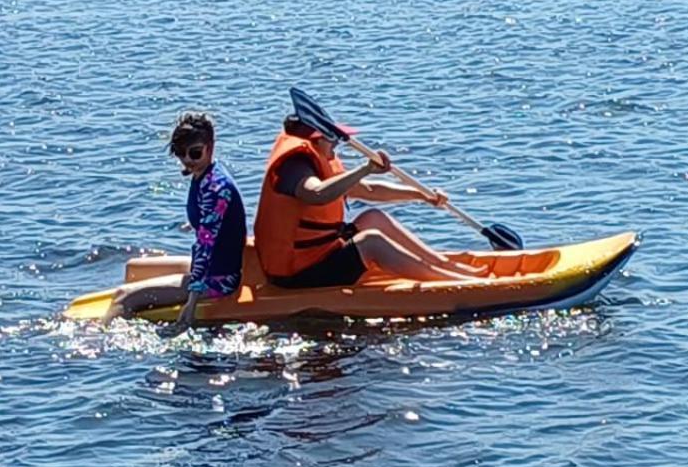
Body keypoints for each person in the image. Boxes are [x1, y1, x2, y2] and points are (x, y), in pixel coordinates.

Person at [253, 116, 487, 287]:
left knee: (372, 218)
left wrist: (422, 195)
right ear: (315, 139)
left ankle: (445, 265)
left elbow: (370, 190)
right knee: (370, 241)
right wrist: (365, 169)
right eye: (332, 138)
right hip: (296, 272)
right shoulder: (294, 166)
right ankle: (456, 283)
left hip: (319, 253)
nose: (337, 144)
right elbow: (317, 193)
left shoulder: (318, 159)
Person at [102, 112, 246, 331]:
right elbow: (212, 226)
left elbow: (206, 248)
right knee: (135, 269)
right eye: (181, 153)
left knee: (124, 297)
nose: (188, 160)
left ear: (211, 147)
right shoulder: (203, 175)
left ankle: (100, 347)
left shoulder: (216, 188)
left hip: (219, 278)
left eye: (195, 153)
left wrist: (191, 303)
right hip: (214, 266)